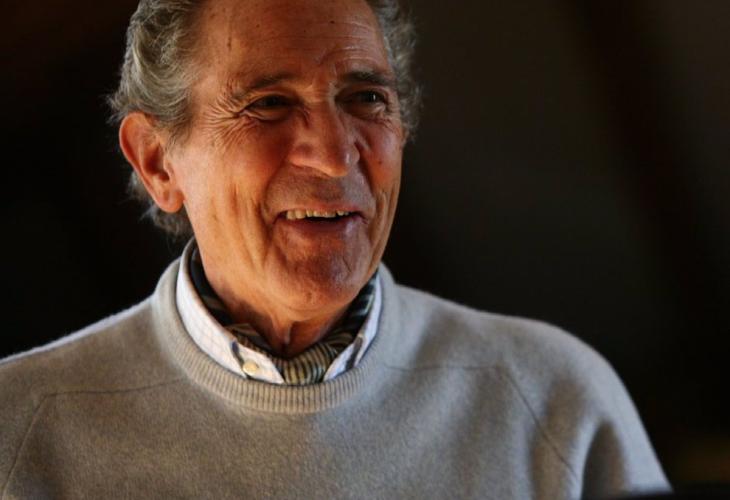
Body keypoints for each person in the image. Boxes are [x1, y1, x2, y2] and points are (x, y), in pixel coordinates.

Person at [0, 0, 670, 498]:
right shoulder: (21, 432)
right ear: (157, 162)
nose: (331, 154)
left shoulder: (552, 398)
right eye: (268, 103)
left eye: (366, 97)